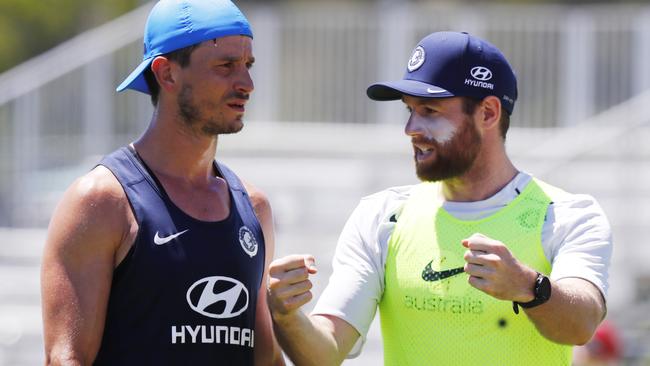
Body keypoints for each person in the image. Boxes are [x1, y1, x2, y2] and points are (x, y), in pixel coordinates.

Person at [267, 31, 612, 365]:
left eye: (430, 111)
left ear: (488, 113)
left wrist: (528, 286)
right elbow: (324, 354)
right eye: (409, 110)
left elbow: (581, 325)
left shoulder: (566, 214)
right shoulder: (382, 216)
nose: (410, 128)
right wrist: (287, 315)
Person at [41, 1, 284, 365]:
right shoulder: (103, 201)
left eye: (247, 66)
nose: (246, 84)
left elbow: (265, 359)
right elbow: (66, 358)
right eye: (225, 66)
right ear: (167, 74)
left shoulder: (254, 207)